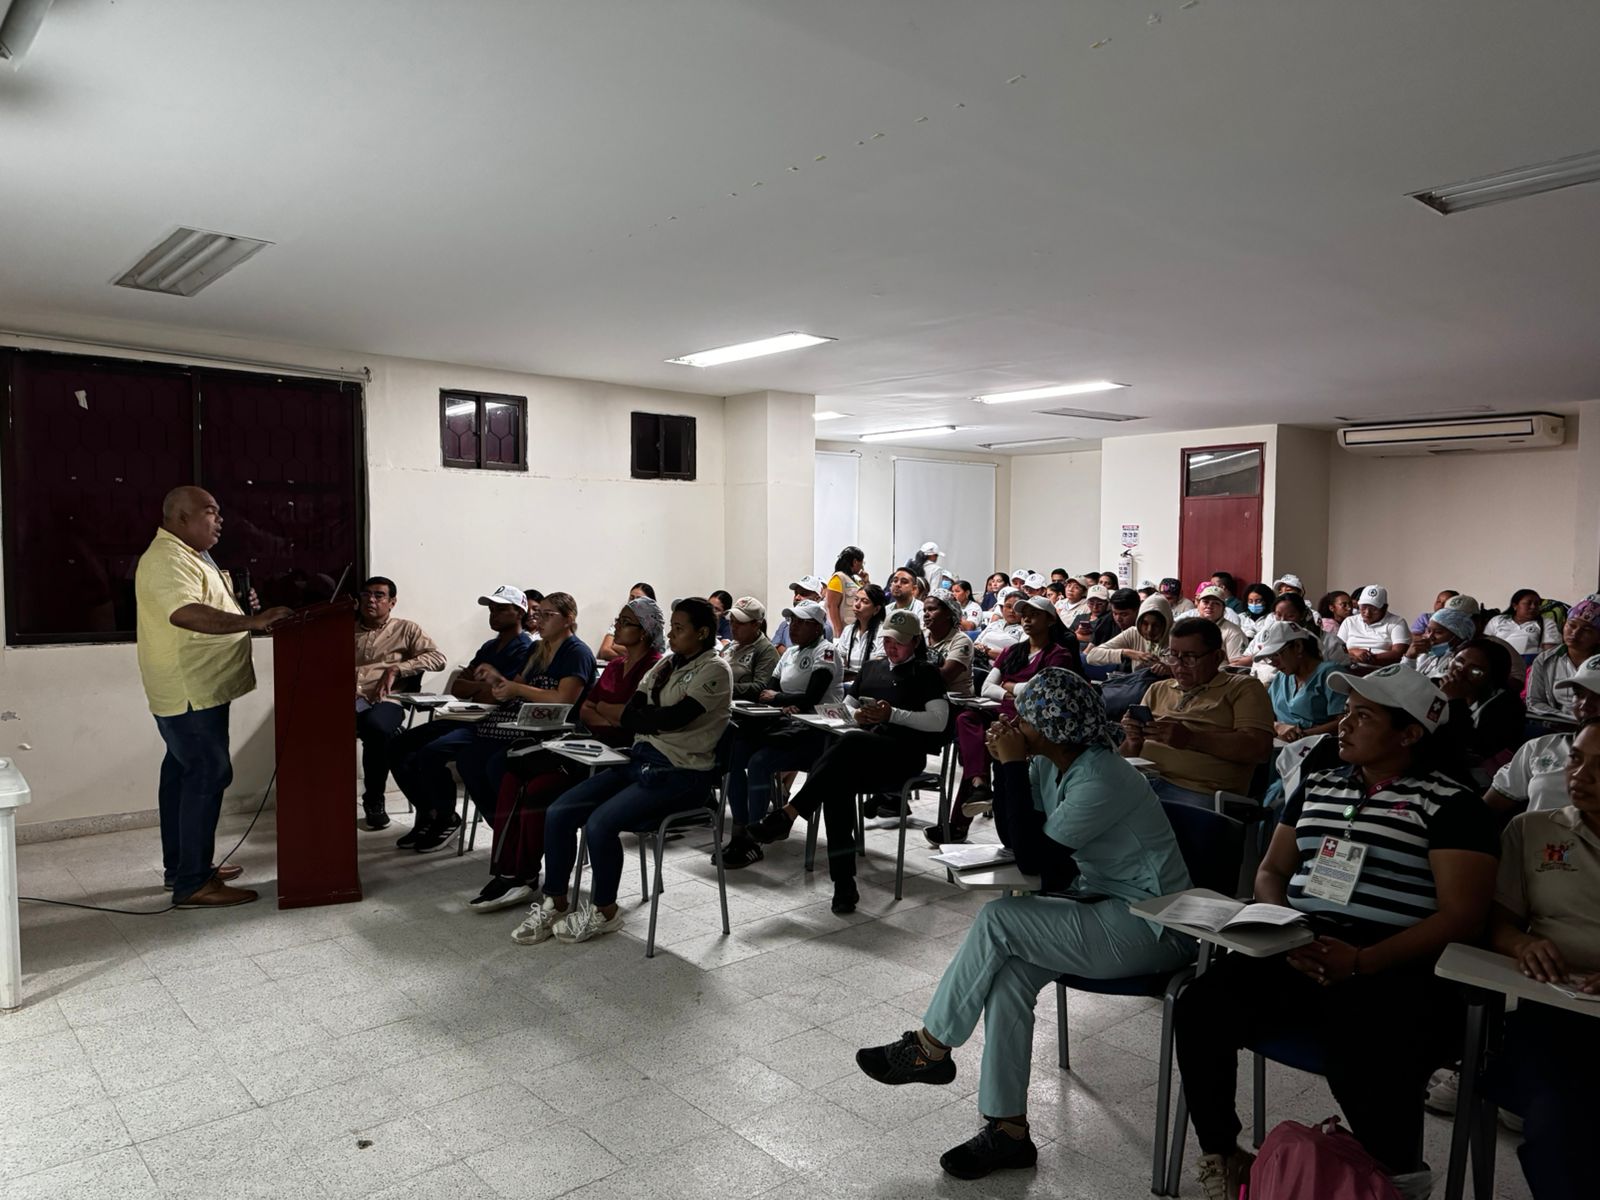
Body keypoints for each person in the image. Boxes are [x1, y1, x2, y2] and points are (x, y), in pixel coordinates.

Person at [1172, 664, 1499, 1200]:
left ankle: (1395, 1178)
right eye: (1347, 711)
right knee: (1201, 1004)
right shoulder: (1319, 784)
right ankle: (1223, 1153)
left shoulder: (1450, 804)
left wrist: (1363, 961)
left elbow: (1463, 915)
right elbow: (1271, 872)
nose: (1343, 724)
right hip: (1303, 942)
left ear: (1410, 733)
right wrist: (1283, 926)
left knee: (1361, 1043)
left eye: (1363, 716)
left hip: (1398, 960)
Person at [853, 669, 1194, 1181]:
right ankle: (1008, 1131)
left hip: (1151, 925)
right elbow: (1019, 838)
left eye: (1025, 715)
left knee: (998, 918)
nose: (1012, 721)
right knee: (1008, 980)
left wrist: (1010, 764)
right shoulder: (1050, 764)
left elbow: (1037, 861)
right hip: (1096, 904)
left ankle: (929, 1047)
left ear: (1053, 727)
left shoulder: (1102, 776)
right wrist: (1003, 766)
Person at [514, 597, 732, 945]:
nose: (671, 635)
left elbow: (673, 718)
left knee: (601, 823)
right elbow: (635, 713)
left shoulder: (715, 669)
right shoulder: (664, 667)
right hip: (640, 757)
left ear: (703, 632)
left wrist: (642, 718)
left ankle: (606, 912)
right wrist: (642, 719)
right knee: (559, 810)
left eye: (679, 629)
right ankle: (554, 900)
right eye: (671, 627)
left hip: (682, 772)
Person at [134, 486, 292, 907]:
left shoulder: (191, 555)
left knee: (181, 773)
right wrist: (255, 621)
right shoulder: (167, 558)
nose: (219, 519)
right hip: (191, 690)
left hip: (199, 688)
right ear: (181, 517)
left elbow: (207, 602)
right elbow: (184, 612)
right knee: (208, 773)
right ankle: (193, 883)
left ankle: (182, 866)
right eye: (210, 511)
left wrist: (243, 610)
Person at [467, 596, 664, 912]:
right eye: (538, 614)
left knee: (535, 789)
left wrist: (611, 715)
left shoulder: (651, 665)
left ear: (644, 631)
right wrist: (610, 714)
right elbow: (587, 711)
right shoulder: (612, 665)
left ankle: (526, 875)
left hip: (618, 754)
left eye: (625, 622)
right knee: (507, 776)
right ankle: (509, 872)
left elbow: (620, 716)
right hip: (582, 744)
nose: (616, 625)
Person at [749, 610, 949, 913]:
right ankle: (844, 886)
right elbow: (843, 710)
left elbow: (938, 721)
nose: (893, 648)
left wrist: (891, 714)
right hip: (862, 753)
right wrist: (858, 716)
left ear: (915, 642)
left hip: (902, 755)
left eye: (900, 642)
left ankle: (790, 813)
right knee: (835, 787)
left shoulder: (925, 673)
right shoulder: (872, 668)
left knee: (852, 743)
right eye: (888, 641)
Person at [1484, 717, 1600, 1200]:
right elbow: (1495, 921)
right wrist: (1522, 944)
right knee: (1560, 1126)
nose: (1580, 775)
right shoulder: (1532, 830)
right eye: (1577, 758)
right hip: (1559, 1011)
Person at [389, 592, 593, 853]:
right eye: (538, 614)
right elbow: (514, 686)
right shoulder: (537, 648)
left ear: (568, 619)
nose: (539, 620)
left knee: (494, 764)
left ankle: (519, 835)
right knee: (468, 760)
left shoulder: (577, 652)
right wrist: (497, 679)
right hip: (523, 723)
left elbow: (563, 700)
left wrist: (514, 689)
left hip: (555, 734)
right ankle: (505, 832)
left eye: (548, 615)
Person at [939, 596, 1084, 841]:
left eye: (1034, 614)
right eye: (1024, 614)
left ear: (1050, 620)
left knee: (984, 745)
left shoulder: (1058, 654)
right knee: (967, 719)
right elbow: (986, 688)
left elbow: (1041, 692)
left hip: (1030, 719)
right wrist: (1018, 688)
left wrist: (1007, 686)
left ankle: (968, 808)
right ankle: (979, 783)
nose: (1026, 619)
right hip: (1000, 712)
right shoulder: (1012, 651)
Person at [720, 600, 844, 867]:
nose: (793, 627)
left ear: (817, 627)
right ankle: (740, 828)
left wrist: (781, 697)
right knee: (735, 755)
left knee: (759, 762)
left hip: (818, 733)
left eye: (801, 622)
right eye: (792, 621)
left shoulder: (826, 652)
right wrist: (782, 699)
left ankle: (755, 835)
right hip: (787, 726)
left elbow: (813, 696)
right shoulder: (789, 654)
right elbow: (768, 694)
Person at [1120, 617, 1273, 808]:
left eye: (1190, 657)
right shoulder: (1158, 689)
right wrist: (1132, 740)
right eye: (1173, 655)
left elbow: (1259, 749)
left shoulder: (1242, 688)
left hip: (1198, 791)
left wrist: (1191, 738)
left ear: (1217, 657)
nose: (1178, 665)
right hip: (1143, 781)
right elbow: (1126, 756)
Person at [353, 575, 447, 830]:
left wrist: (397, 668)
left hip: (388, 699)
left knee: (377, 727)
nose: (371, 599)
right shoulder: (344, 629)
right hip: (348, 699)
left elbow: (438, 658)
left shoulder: (406, 629)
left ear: (392, 602)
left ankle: (373, 799)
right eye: (366, 594)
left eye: (378, 595)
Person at [1485, 653, 1600, 815]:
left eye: (1599, 697)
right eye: (1579, 694)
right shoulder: (1541, 748)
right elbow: (1488, 809)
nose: (1585, 705)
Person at [1435, 636, 1527, 787]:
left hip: (1480, 780)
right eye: (1458, 662)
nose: (1460, 672)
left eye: (1475, 670)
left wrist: (1456, 701)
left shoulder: (1508, 706)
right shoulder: (1437, 685)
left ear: (1493, 678)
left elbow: (1471, 749)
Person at [1257, 623, 1346, 745]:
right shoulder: (1281, 677)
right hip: (1279, 743)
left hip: (1317, 748)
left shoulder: (1330, 673)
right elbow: (1262, 715)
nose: (1273, 663)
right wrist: (1278, 727)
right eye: (1269, 658)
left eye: (1276, 655)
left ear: (1298, 646)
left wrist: (1301, 736)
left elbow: (1344, 721)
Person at [1527, 597, 1600, 718]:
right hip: (1560, 724)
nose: (1575, 633)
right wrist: (1568, 718)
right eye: (1571, 625)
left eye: (1587, 630)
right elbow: (1535, 702)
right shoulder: (1545, 659)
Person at [1085, 592, 1173, 670]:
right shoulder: (1133, 633)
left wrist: (1170, 670)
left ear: (1166, 624)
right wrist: (1127, 653)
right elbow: (1092, 656)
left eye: (1156, 625)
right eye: (1145, 624)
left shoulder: (1177, 637)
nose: (1149, 630)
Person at [1336, 584, 1412, 669]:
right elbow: (1337, 651)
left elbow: (1399, 653)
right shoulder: (1349, 622)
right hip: (1349, 666)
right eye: (1363, 607)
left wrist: (1370, 658)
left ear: (1384, 608)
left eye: (1374, 609)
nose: (1367, 613)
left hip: (1380, 670)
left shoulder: (1397, 622)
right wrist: (1354, 652)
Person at [723, 596, 778, 699]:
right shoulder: (729, 646)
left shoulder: (766, 650)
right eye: (731, 621)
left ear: (756, 625)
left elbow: (761, 687)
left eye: (740, 623)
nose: (733, 627)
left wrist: (722, 688)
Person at [1401, 605, 1475, 680]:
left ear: (1458, 637)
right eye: (1428, 631)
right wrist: (1409, 657)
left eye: (1438, 632)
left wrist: (1409, 660)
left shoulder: (1457, 664)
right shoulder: (1427, 656)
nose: (1430, 637)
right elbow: (1398, 680)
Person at [924, 592, 975, 697]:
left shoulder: (962, 641)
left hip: (956, 702)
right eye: (925, 610)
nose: (926, 614)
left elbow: (944, 677)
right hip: (927, 696)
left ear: (948, 613)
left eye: (932, 609)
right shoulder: (920, 635)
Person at [1484, 588, 1561, 656]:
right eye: (1528, 603)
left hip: (1530, 666)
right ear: (1515, 606)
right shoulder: (1498, 620)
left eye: (1537, 604)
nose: (1533, 607)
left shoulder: (1546, 623)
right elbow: (1485, 645)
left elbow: (1550, 653)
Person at [596, 581, 656, 661]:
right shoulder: (619, 621)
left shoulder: (655, 626)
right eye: (631, 598)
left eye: (639, 599)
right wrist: (628, 660)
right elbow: (604, 651)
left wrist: (615, 646)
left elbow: (645, 653)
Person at [839, 583, 888, 678]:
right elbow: (840, 661)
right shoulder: (848, 630)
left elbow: (878, 665)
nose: (857, 605)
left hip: (871, 682)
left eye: (864, 601)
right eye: (856, 599)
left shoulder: (883, 632)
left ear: (877, 609)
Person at [772, 575, 832, 651]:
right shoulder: (785, 624)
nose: (797, 597)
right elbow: (774, 646)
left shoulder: (823, 626)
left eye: (803, 594)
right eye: (796, 593)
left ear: (817, 598)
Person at [973, 589, 1026, 672]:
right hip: (976, 661)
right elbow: (975, 643)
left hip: (999, 669)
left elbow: (1017, 657)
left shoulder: (1025, 630)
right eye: (1008, 606)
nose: (1011, 611)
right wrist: (978, 647)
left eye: (1016, 608)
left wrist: (986, 651)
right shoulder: (994, 624)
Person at [825, 545, 868, 639]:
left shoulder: (855, 580)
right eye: (862, 562)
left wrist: (866, 581)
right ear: (855, 561)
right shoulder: (838, 578)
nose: (862, 566)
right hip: (843, 631)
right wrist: (838, 631)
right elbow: (832, 606)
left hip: (855, 629)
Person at [1193, 585, 1248, 658]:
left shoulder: (1233, 632)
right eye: (1205, 602)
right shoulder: (1190, 628)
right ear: (1198, 605)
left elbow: (1237, 665)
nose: (1209, 606)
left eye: (1216, 603)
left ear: (1223, 609)